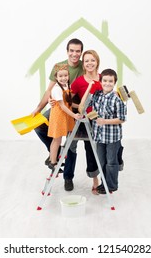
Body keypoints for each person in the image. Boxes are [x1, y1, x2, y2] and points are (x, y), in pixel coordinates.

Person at [32, 38, 84, 189]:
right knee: (39, 126)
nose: (74, 54)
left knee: (71, 145)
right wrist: (38, 108)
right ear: (67, 51)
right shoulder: (59, 66)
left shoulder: (83, 67)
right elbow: (49, 90)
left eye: (78, 51)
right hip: (59, 106)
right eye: (72, 51)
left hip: (73, 107)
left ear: (81, 52)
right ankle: (55, 153)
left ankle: (68, 177)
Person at [80, 69, 127, 194]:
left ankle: (111, 185)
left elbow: (122, 119)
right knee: (102, 161)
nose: (107, 83)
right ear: (100, 82)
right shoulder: (97, 95)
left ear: (114, 82)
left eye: (110, 81)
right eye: (105, 81)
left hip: (112, 137)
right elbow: (83, 105)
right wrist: (90, 86)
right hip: (99, 136)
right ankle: (104, 183)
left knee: (111, 162)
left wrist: (105, 121)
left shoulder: (117, 100)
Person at [69, 50, 103, 194]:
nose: (90, 63)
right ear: (84, 64)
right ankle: (92, 179)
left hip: (100, 118)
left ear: (97, 62)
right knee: (79, 146)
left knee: (96, 149)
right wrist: (81, 108)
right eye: (87, 60)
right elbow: (68, 100)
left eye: (92, 60)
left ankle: (100, 179)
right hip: (85, 117)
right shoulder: (79, 81)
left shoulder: (103, 78)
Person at [47, 64, 82, 170]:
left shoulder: (67, 86)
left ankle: (54, 159)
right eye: (60, 76)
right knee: (56, 139)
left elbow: (68, 102)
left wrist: (79, 106)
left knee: (61, 139)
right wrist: (74, 115)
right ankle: (52, 162)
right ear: (56, 78)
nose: (63, 78)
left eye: (65, 75)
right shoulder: (57, 89)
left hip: (65, 115)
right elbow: (62, 106)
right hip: (59, 116)